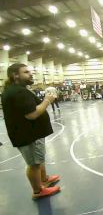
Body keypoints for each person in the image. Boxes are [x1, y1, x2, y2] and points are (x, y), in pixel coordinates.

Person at [1, 63, 61, 199]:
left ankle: (44, 179)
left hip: (32, 133)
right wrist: (47, 100)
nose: (31, 73)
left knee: (39, 160)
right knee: (34, 164)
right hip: (28, 135)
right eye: (26, 72)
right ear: (15, 75)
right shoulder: (18, 92)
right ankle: (38, 191)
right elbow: (32, 114)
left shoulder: (17, 89)